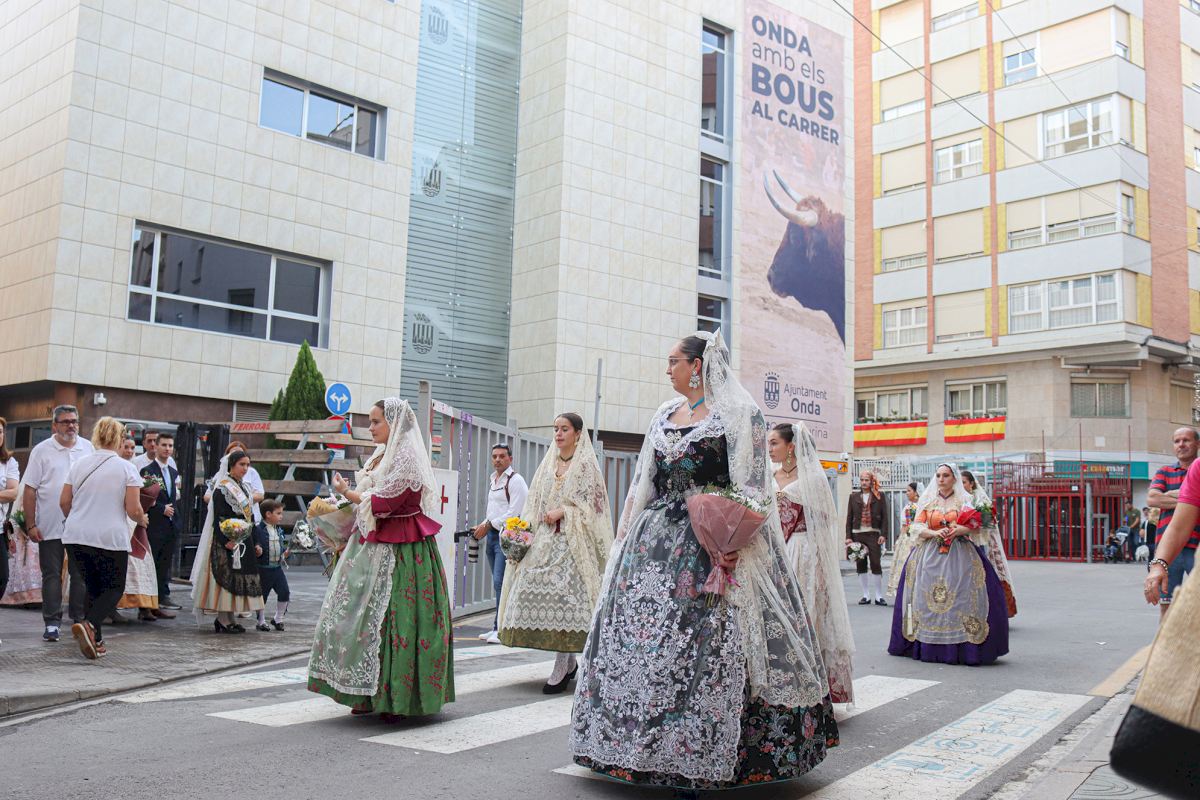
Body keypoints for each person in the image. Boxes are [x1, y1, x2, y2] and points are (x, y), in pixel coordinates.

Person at [571, 332, 837, 790]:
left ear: (698, 365)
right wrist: (624, 536)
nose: (667, 369)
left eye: (674, 361)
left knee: (712, 643)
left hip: (713, 542)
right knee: (644, 643)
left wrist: (732, 536)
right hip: (654, 542)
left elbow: (754, 486)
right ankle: (636, 746)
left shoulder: (740, 415)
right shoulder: (662, 414)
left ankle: (708, 751)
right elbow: (644, 482)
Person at [307, 398, 454, 721]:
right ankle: (362, 691)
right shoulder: (381, 454)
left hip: (402, 549)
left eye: (376, 422)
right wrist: (342, 504)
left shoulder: (407, 458)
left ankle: (396, 697)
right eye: (370, 421)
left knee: (395, 620)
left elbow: (384, 503)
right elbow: (370, 497)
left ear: (394, 422)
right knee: (357, 619)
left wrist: (347, 494)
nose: (370, 428)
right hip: (371, 543)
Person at [497, 413, 612, 692]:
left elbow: (595, 510)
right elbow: (534, 501)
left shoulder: (586, 467)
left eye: (564, 429)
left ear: (578, 434)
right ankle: (568, 662)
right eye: (556, 429)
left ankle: (562, 664)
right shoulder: (548, 463)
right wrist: (521, 534)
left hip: (574, 545)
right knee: (528, 586)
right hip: (545, 541)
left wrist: (565, 512)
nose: (558, 434)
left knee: (567, 600)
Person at [769, 421, 855, 704]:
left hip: (802, 552)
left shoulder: (813, 480)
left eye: (774, 443)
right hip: (774, 551)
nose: (769, 448)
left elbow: (824, 524)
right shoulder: (770, 476)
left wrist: (820, 568)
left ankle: (809, 688)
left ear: (791, 447)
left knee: (804, 614)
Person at [889, 463, 1009, 666]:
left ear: (954, 478)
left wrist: (961, 530)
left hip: (959, 553)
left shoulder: (966, 500)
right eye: (938, 475)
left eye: (945, 475)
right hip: (929, 554)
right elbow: (916, 526)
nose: (941, 479)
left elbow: (982, 523)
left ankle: (964, 648)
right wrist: (934, 532)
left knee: (962, 597)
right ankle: (927, 644)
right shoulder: (928, 500)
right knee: (923, 597)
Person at [59, 418, 147, 659]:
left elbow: (64, 502)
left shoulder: (79, 464)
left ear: (96, 436)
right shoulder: (126, 468)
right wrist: (142, 518)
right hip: (109, 536)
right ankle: (89, 625)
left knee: (93, 587)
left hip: (76, 535)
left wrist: (79, 518)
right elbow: (133, 509)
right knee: (114, 588)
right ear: (120, 438)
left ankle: (95, 640)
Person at [23, 404, 94, 642]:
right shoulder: (41, 450)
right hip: (49, 524)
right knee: (52, 575)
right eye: (65, 422)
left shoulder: (88, 448)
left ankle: (79, 621)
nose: (71, 426)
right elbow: (30, 489)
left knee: (80, 573)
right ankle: (52, 623)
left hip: (81, 523)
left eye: (74, 421)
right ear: (54, 425)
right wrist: (31, 525)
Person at [190, 450, 265, 632]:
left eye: (247, 465)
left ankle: (231, 617)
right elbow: (219, 518)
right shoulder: (222, 488)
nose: (245, 468)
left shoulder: (244, 488)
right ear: (232, 465)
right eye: (242, 464)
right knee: (225, 577)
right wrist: (226, 540)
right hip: (226, 540)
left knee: (237, 578)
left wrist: (255, 541)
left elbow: (250, 517)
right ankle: (223, 619)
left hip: (243, 539)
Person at [473, 443, 528, 644]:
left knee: (501, 582)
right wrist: (483, 525)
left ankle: (503, 629)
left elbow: (515, 512)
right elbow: (494, 511)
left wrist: (489, 524)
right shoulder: (493, 480)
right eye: (494, 456)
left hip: (507, 538)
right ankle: (497, 627)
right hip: (492, 536)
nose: (497, 459)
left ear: (510, 459)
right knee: (498, 583)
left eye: (502, 456)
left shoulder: (516, 481)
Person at [1147, 427, 1200, 620]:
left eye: (1186, 440)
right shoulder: (1165, 471)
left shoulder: (1197, 469)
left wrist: (1171, 496)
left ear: (1197, 443)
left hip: (1196, 547)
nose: (1181, 444)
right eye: (1177, 441)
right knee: (1166, 604)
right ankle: (1166, 638)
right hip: (1169, 548)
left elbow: (1159, 498)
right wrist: (1191, 500)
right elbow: (1152, 499)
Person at [115, 434, 164, 621]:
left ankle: (145, 605)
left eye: (131, 448)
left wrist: (147, 501)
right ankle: (114, 605)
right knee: (126, 563)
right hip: (123, 518)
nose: (128, 451)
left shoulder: (134, 468)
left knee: (143, 562)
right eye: (125, 447)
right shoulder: (117, 467)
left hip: (136, 518)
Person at [961, 470, 1017, 618]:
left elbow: (988, 523)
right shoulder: (958, 499)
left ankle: (988, 613)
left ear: (971, 483)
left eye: (964, 482)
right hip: (961, 543)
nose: (961, 485)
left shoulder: (980, 500)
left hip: (980, 543)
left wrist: (975, 523)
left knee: (983, 577)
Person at [141, 431, 182, 611]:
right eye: (164, 445)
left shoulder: (173, 472)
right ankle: (150, 600)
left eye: (170, 446)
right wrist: (161, 508)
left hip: (171, 525)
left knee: (165, 562)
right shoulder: (148, 471)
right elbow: (146, 497)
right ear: (156, 446)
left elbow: (175, 496)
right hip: (155, 525)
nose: (167, 449)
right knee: (153, 563)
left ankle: (162, 595)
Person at [0, 416, 33, 607]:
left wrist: (6, 494)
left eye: (0, 432)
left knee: (2, 577)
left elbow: (13, 492)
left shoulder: (9, 462)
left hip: (0, 528)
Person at [845, 469, 889, 606]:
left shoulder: (879, 496)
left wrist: (883, 534)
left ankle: (878, 596)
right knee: (860, 563)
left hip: (873, 534)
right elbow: (849, 518)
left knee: (876, 563)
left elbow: (885, 517)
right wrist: (848, 537)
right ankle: (865, 595)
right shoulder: (853, 497)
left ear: (871, 482)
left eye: (866, 480)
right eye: (862, 480)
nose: (864, 482)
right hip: (857, 534)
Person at [252, 499, 290, 631]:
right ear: (268, 514)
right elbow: (256, 543)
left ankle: (278, 618)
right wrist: (257, 549)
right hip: (263, 569)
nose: (281, 516)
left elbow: (279, 546)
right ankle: (261, 621)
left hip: (277, 568)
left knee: (284, 592)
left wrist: (285, 553)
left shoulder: (278, 530)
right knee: (262, 595)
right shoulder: (258, 529)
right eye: (278, 513)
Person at [887, 482, 921, 598]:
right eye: (906, 491)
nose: (906, 493)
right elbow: (904, 526)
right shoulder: (908, 506)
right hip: (906, 538)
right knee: (901, 564)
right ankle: (902, 592)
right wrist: (899, 541)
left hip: (914, 538)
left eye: (909, 491)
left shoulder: (919, 507)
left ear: (916, 492)